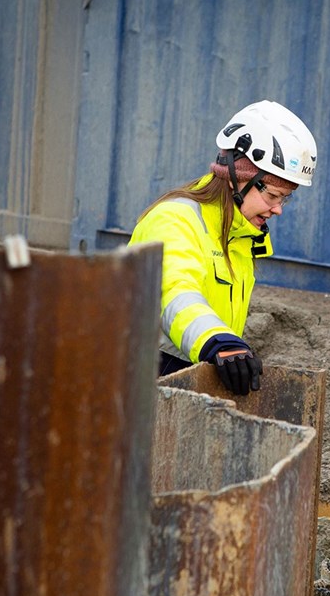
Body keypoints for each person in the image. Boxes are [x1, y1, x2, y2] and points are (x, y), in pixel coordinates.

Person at [130, 100, 318, 395]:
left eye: (285, 199)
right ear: (237, 178)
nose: (278, 209)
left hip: (191, 369)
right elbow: (174, 291)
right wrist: (219, 340)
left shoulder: (239, 236)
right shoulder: (175, 219)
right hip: (143, 377)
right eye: (272, 195)